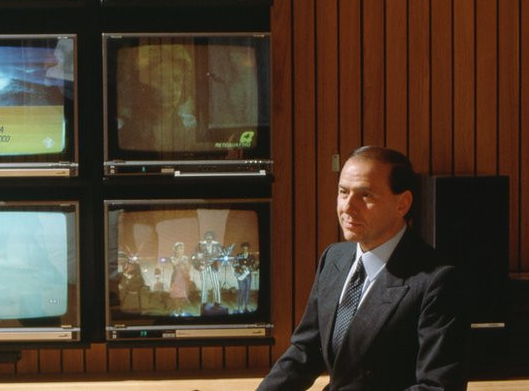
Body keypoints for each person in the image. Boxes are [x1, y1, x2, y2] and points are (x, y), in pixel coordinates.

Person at [258, 146, 468, 390]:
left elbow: (438, 387)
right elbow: (305, 351)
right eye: (343, 192)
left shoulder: (438, 281)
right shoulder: (333, 258)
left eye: (365, 195)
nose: (347, 207)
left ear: (403, 204)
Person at [193, 231, 222, 307]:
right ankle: (204, 302)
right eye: (207, 236)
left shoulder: (217, 244)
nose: (209, 237)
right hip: (204, 266)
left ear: (212, 237)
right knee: (204, 284)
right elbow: (196, 255)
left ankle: (217, 302)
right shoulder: (200, 244)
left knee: (216, 284)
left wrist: (216, 256)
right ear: (205, 237)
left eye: (210, 236)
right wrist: (201, 264)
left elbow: (220, 254)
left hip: (213, 266)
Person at [168, 241, 192, 316]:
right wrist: (181, 258)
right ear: (175, 250)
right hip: (176, 279)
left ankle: (181, 310)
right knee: (175, 296)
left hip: (183, 279)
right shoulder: (172, 258)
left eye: (182, 248)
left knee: (183, 296)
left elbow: (188, 269)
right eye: (179, 249)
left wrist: (186, 263)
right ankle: (176, 310)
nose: (181, 250)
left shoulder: (185, 258)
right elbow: (174, 264)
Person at [233, 241, 257, 313]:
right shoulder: (239, 256)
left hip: (248, 275)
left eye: (246, 248)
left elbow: (254, 267)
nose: (245, 249)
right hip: (240, 275)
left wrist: (252, 268)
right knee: (242, 290)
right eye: (244, 248)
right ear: (242, 248)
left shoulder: (252, 256)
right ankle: (239, 307)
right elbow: (234, 265)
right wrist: (241, 267)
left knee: (247, 291)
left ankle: (246, 306)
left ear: (248, 248)